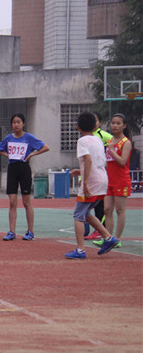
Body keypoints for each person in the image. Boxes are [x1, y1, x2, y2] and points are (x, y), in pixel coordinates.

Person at [65, 112, 118, 259]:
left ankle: (80, 250)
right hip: (102, 178)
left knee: (77, 215)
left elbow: (88, 160)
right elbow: (96, 159)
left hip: (92, 181)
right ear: (95, 126)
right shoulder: (98, 140)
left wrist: (85, 182)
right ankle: (108, 237)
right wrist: (80, 170)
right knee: (86, 213)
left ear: (77, 127)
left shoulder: (82, 141)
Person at [0, 113, 50, 241]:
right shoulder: (9, 138)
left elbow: (46, 147)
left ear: (23, 124)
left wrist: (31, 155)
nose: (16, 124)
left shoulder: (29, 137)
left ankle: (30, 232)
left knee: (26, 202)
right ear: (11, 124)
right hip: (12, 168)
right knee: (12, 202)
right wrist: (7, 155)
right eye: (14, 122)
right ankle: (11, 232)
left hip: (24, 168)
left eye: (19, 122)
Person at [93, 113, 133, 250]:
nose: (115, 126)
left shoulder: (126, 142)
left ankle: (118, 238)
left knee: (120, 210)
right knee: (107, 209)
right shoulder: (110, 141)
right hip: (109, 180)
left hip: (121, 180)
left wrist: (112, 151)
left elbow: (122, 162)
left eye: (118, 123)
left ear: (124, 126)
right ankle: (108, 238)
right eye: (113, 123)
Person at [84, 111, 113, 240]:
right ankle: (90, 229)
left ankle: (101, 230)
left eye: (95, 120)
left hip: (101, 174)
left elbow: (115, 147)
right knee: (88, 204)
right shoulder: (85, 137)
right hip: (90, 175)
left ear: (100, 123)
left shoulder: (105, 136)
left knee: (100, 204)